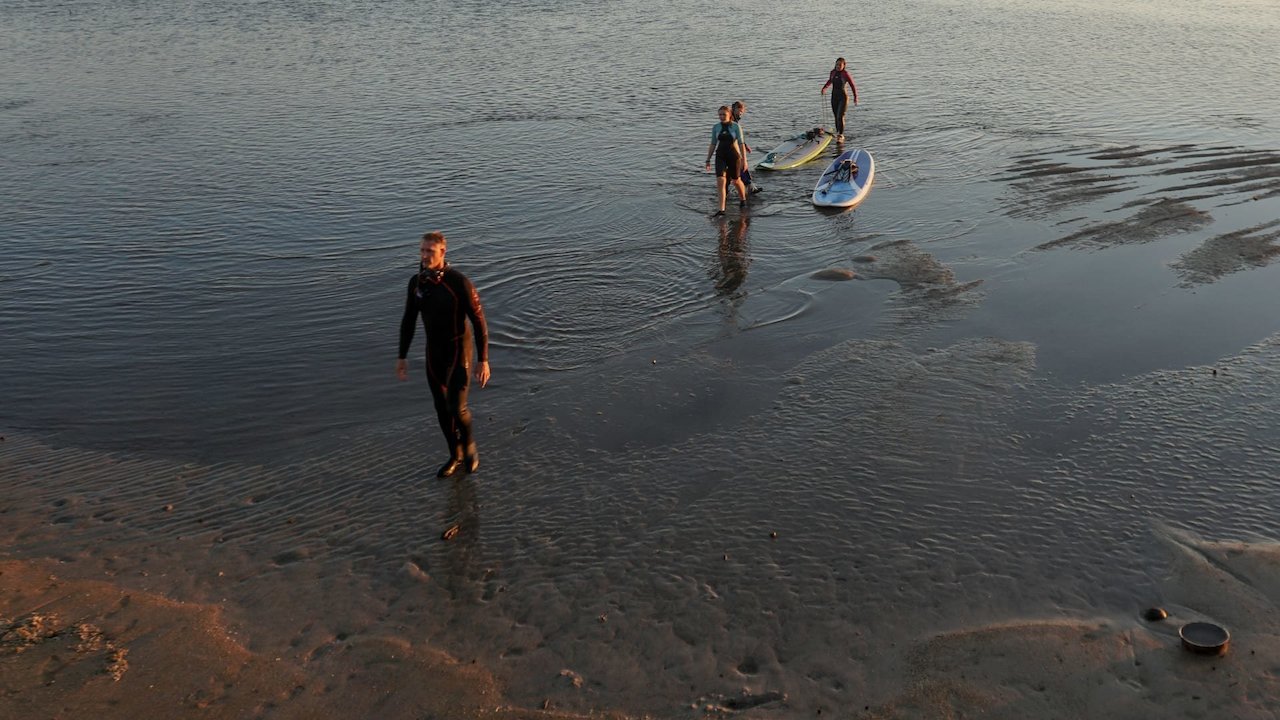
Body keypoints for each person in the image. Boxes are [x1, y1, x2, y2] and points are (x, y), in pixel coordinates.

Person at [396, 231, 491, 478]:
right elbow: (408, 320)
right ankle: (454, 454)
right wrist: (402, 356)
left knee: (456, 407)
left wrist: (484, 360)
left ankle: (469, 446)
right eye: (422, 251)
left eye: (430, 251)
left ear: (442, 252)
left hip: (460, 351)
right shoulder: (417, 283)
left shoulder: (459, 283)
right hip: (433, 353)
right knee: (441, 408)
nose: (425, 256)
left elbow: (479, 321)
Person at [704, 105, 749, 216]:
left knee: (736, 180)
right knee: (721, 180)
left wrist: (745, 161)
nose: (722, 117)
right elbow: (713, 143)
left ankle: (743, 199)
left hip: (734, 156)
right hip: (720, 156)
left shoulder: (736, 127)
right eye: (720, 114)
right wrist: (708, 159)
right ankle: (721, 210)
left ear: (729, 115)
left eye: (724, 114)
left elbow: (741, 144)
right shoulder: (716, 127)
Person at [820, 57, 859, 142]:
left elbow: (852, 85)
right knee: (835, 116)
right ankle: (838, 133)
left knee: (840, 116)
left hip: (843, 97)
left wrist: (855, 97)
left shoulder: (845, 74)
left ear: (844, 65)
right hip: (834, 97)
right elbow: (830, 81)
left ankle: (841, 135)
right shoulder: (832, 72)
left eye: (840, 65)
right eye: (836, 64)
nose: (838, 66)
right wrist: (824, 88)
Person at [730, 101, 763, 194]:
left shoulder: (735, 120)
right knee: (741, 167)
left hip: (733, 148)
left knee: (739, 170)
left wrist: (745, 145)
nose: (740, 113)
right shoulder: (731, 120)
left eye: (742, 112)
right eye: (739, 111)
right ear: (734, 109)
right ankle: (749, 188)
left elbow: (739, 137)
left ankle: (748, 188)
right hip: (731, 149)